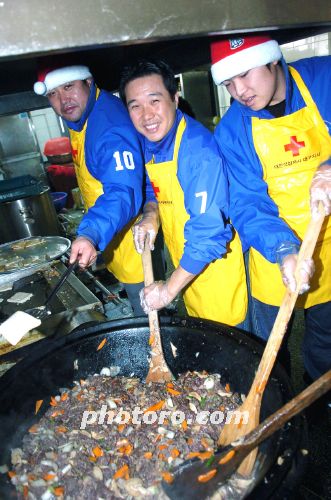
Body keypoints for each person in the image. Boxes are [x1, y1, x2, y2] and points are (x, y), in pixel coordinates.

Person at [210, 34, 331, 381]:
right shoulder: (233, 130)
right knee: (267, 347)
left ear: (272, 59)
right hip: (275, 251)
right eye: (229, 83)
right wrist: (284, 249)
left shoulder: (324, 79)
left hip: (330, 246)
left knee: (326, 339)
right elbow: (247, 202)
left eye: (245, 74)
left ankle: (317, 402)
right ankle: (272, 403)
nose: (240, 91)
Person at [119, 58, 248, 327]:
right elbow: (150, 187)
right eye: (135, 106)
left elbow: (209, 233)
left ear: (175, 99)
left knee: (235, 351)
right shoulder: (149, 142)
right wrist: (151, 213)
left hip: (217, 270)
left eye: (155, 101)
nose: (146, 115)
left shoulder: (197, 151)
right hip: (186, 265)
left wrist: (167, 290)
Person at [34, 63, 145, 315]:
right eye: (53, 94)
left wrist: (91, 232)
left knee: (147, 313)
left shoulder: (109, 127)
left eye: (68, 86)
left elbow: (122, 190)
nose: (63, 100)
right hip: (113, 233)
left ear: (88, 81)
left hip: (133, 240)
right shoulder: (85, 114)